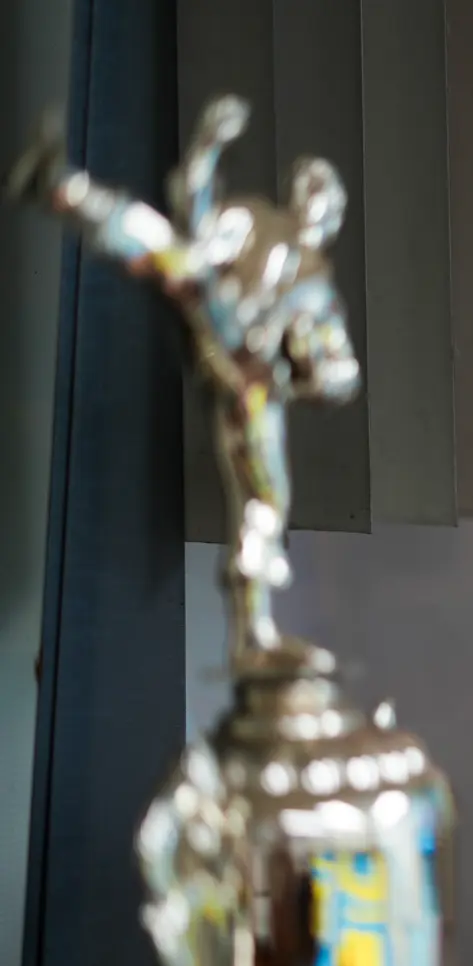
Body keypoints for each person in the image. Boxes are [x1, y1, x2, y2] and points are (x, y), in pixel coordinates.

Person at [8, 95, 360, 673]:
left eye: (327, 199)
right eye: (312, 190)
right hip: (219, 318)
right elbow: (196, 217)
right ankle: (58, 186)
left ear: (333, 218)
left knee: (266, 500)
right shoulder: (254, 221)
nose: (316, 204)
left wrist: (313, 372)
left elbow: (340, 374)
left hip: (255, 385)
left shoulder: (318, 288)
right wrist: (208, 148)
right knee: (170, 250)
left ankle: (254, 633)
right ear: (298, 197)